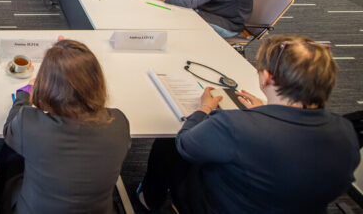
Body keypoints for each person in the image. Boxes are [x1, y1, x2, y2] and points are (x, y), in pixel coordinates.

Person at [138, 34, 360, 214]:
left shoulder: (235, 126)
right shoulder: (345, 131)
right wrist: (267, 110)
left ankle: (151, 200)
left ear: (266, 78)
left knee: (168, 143)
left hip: (218, 205)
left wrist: (204, 109)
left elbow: (186, 144)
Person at [0, 40, 130, 214]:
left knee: (10, 159)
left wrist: (23, 95)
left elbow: (8, 130)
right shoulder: (119, 123)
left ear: (48, 85)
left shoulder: (28, 123)